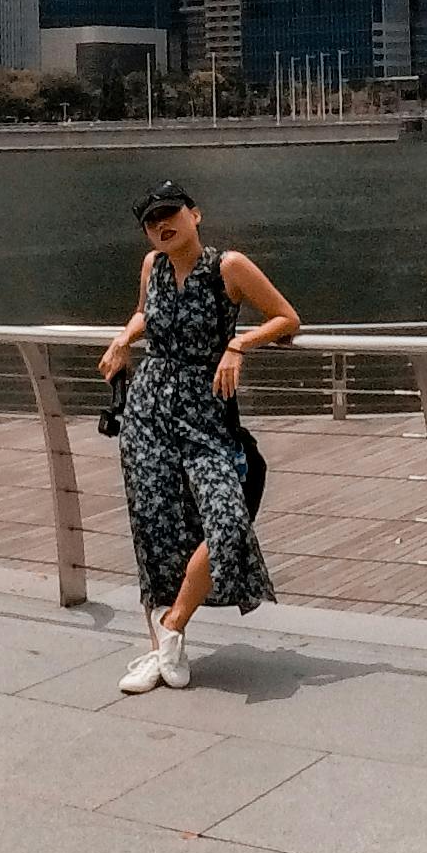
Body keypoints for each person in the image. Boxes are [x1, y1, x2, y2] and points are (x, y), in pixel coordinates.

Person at [95, 179, 298, 691]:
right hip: (149, 409)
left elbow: (287, 319)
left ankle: (170, 628)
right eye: (151, 221)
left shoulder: (227, 267)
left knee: (227, 520)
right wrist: (123, 338)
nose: (162, 225)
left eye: (171, 213)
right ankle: (164, 652)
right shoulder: (153, 266)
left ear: (195, 214)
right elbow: (147, 312)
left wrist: (239, 345)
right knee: (155, 527)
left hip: (205, 413)